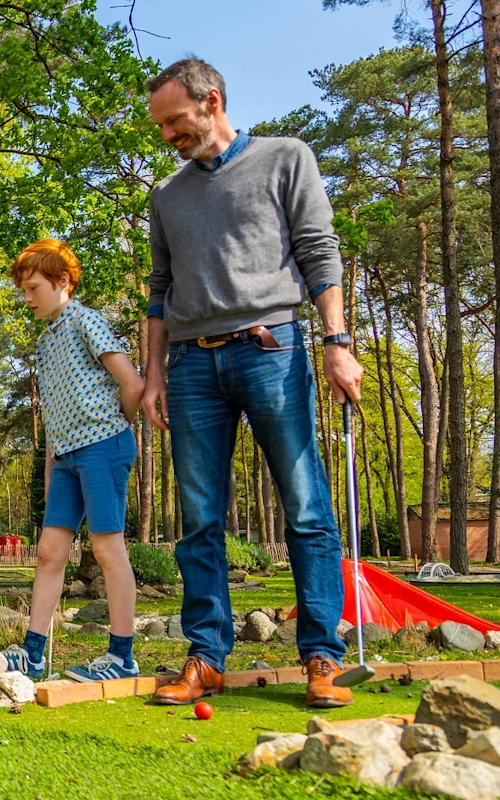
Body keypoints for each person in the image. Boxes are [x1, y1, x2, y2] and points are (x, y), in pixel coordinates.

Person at [141, 59, 364, 708]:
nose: (168, 136)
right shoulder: (166, 194)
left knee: (306, 507)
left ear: (211, 101)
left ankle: (322, 656)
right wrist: (152, 374)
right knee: (198, 520)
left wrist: (337, 343)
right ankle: (206, 657)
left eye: (175, 121)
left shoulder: (286, 158)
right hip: (190, 366)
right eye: (161, 127)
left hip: (273, 351)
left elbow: (319, 251)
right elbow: (159, 290)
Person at [6, 238, 145, 682]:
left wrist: (113, 428)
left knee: (106, 548)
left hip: (103, 446)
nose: (27, 299)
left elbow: (132, 384)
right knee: (49, 552)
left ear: (63, 281)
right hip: (65, 457)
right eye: (23, 291)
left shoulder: (87, 321)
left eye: (33, 288)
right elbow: (53, 414)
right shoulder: (45, 342)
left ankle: (121, 658)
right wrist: (52, 469)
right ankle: (33, 655)